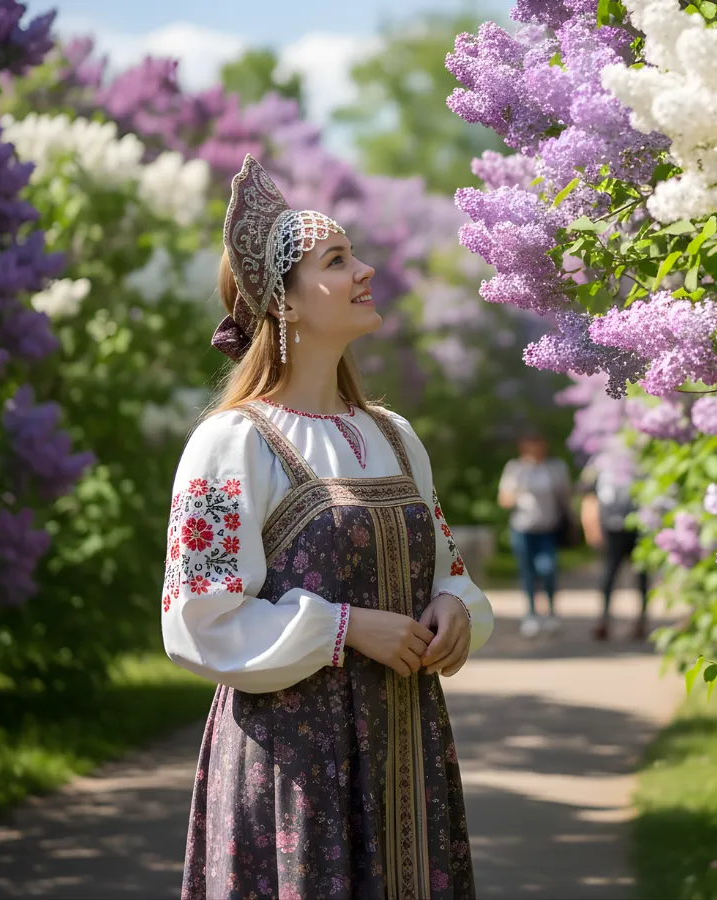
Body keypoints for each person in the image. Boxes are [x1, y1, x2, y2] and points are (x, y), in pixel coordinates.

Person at [161, 156, 494, 900]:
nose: (366, 270)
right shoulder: (231, 444)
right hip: (295, 764)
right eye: (338, 260)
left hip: (408, 750)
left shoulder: (397, 436)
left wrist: (453, 608)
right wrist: (344, 630)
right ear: (285, 302)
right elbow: (197, 619)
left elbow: (447, 566)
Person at [497, 430, 572, 638]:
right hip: (523, 528)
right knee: (528, 572)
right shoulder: (515, 469)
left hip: (548, 529)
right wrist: (518, 488)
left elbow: (565, 497)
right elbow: (504, 500)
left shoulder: (555, 468)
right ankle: (531, 613)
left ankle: (551, 612)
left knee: (548, 569)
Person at [578, 437, 650, 641]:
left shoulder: (642, 459)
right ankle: (603, 619)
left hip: (639, 528)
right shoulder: (599, 461)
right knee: (609, 574)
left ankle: (641, 620)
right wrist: (590, 527)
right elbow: (589, 496)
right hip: (611, 527)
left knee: (642, 577)